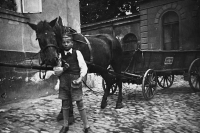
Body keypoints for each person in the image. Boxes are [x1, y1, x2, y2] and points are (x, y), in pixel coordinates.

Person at [53, 28, 93, 133]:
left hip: (75, 81)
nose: (66, 44)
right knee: (65, 104)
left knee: (80, 103)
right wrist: (60, 69)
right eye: (64, 42)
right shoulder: (60, 55)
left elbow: (84, 68)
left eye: (68, 42)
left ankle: (86, 127)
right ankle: (65, 125)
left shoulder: (77, 53)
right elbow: (57, 70)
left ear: (72, 43)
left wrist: (80, 79)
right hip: (64, 82)